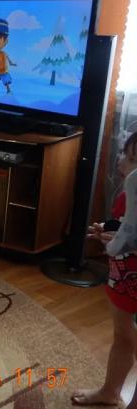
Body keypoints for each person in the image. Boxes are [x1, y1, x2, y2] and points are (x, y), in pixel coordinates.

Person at [72, 131, 137, 406]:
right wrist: (109, 232)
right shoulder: (127, 195)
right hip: (121, 277)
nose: (121, 159)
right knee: (122, 337)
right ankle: (110, 391)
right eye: (125, 153)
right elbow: (126, 227)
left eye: (130, 158)